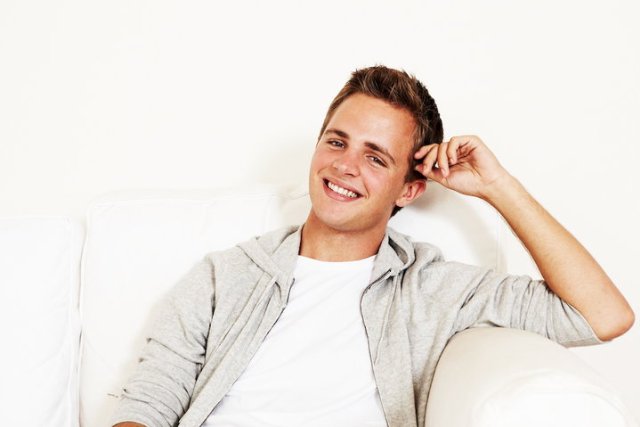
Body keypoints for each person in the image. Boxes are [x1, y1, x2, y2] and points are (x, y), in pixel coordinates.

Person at [111, 65, 634, 427]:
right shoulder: (224, 276)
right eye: (337, 141)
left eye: (376, 157)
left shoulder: (434, 290)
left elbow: (603, 317)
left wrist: (498, 186)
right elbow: (148, 405)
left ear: (409, 190)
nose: (344, 166)